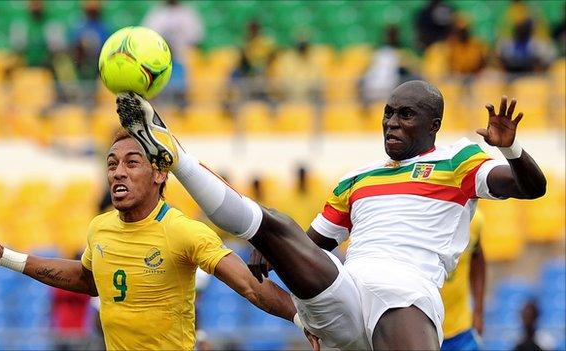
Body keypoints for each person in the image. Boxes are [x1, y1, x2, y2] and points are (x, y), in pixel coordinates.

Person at [114, 79, 546, 350]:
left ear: (433, 124)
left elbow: (532, 187)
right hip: (346, 291)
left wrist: (509, 148)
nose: (392, 123)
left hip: (408, 289)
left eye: (405, 114)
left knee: (393, 296)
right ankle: (174, 153)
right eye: (388, 114)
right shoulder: (354, 179)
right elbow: (312, 244)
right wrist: (271, 249)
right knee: (276, 224)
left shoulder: (461, 161)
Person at [0, 130, 304, 350]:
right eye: (112, 163)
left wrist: (304, 321)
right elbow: (89, 280)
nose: (118, 171)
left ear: (159, 173)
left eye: (132, 162)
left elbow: (251, 287)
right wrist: (5, 257)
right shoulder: (100, 228)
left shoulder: (184, 231)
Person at [440, 210, 486, 351]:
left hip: (461, 330)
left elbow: (478, 260)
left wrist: (478, 311)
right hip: (423, 330)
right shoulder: (418, 222)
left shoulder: (473, 220)